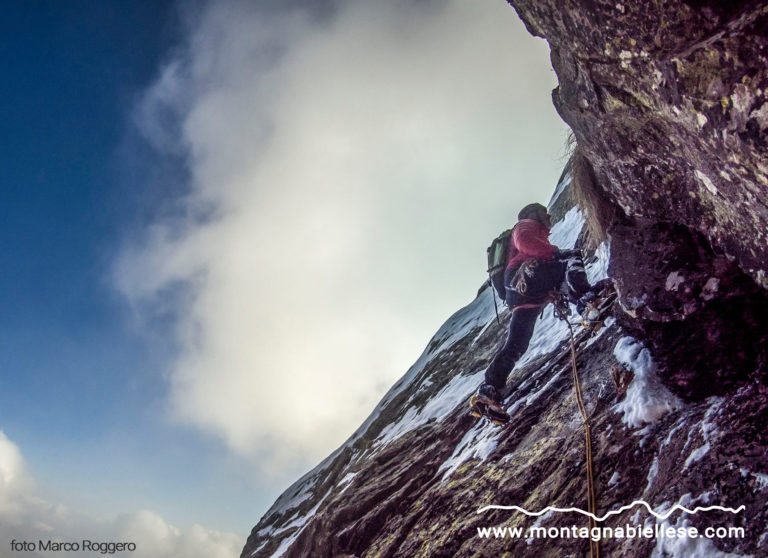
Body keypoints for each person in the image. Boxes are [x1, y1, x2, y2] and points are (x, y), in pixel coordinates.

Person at [474, 203, 599, 411]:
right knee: (571, 256)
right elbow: (525, 242)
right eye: (545, 214)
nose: (548, 218)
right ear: (534, 214)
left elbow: (546, 275)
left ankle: (490, 389)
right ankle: (586, 301)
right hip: (522, 276)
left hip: (519, 292)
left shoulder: (533, 231)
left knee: (517, 343)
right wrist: (554, 252)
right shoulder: (525, 224)